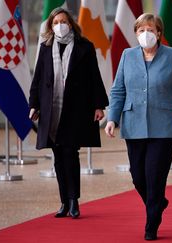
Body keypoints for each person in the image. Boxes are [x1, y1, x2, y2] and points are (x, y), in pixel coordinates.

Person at [105, 13, 172, 241]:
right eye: (141, 30)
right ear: (136, 33)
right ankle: (158, 202)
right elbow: (118, 89)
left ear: (159, 33)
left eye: (150, 29)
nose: (145, 34)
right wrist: (112, 118)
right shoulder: (127, 56)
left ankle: (152, 224)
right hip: (133, 124)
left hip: (165, 127)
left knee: (154, 175)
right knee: (138, 176)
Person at [29, 7, 108, 219]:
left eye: (63, 21)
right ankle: (63, 201)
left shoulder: (85, 47)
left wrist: (99, 105)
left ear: (71, 24)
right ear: (50, 26)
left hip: (75, 110)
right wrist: (34, 105)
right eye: (55, 22)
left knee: (70, 154)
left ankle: (74, 201)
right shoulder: (45, 48)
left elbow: (94, 78)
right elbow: (37, 79)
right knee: (57, 157)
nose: (59, 25)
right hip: (51, 110)